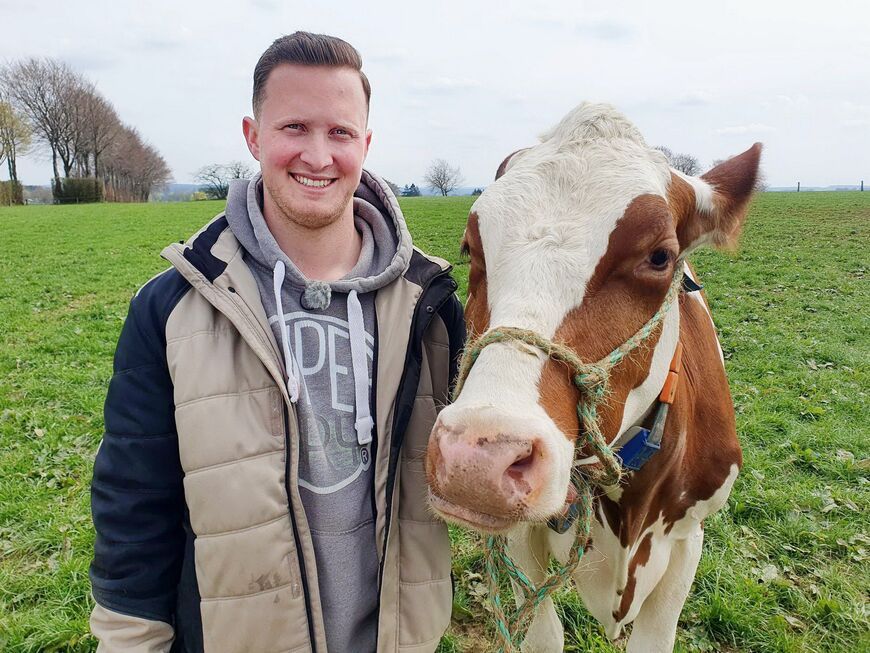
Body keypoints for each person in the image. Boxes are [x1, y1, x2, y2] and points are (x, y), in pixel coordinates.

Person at [89, 32, 464, 653]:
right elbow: (132, 503)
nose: (318, 155)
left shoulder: (430, 305)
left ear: (366, 144)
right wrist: (129, 639)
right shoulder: (173, 305)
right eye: (294, 126)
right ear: (253, 135)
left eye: (341, 133)